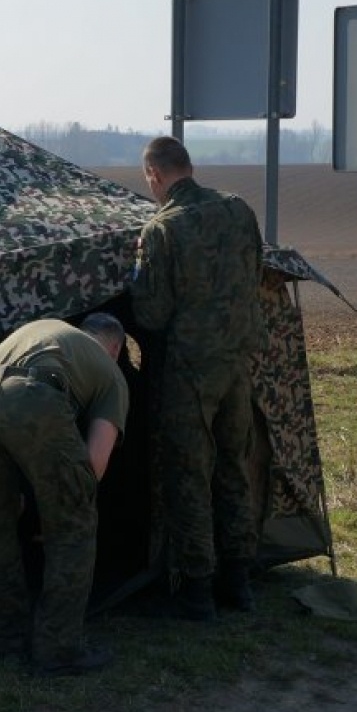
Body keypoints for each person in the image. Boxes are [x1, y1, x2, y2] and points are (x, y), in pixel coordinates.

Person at [129, 135, 266, 620]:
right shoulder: (239, 210)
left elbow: (151, 313)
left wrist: (138, 271)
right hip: (237, 363)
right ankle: (240, 581)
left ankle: (198, 590)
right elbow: (256, 273)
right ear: (189, 166)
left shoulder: (163, 229)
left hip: (190, 370)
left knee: (190, 473)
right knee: (234, 467)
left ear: (154, 175)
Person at [0, 312, 129, 676]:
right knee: (74, 521)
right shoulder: (111, 374)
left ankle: (5, 637)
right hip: (31, 395)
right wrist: (56, 504)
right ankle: (59, 648)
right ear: (115, 350)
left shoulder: (52, 334)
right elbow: (93, 467)